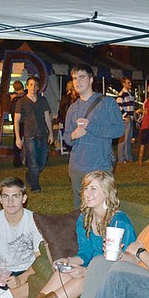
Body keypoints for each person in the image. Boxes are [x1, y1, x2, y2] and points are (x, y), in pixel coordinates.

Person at [0, 171, 137, 298]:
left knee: (81, 281)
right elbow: (85, 253)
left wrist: (86, 271)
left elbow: (126, 264)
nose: (87, 193)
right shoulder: (85, 218)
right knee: (63, 271)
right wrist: (69, 261)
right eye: (86, 189)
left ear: (107, 192)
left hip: (115, 277)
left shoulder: (119, 222)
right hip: (94, 269)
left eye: (93, 189)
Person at [63, 64, 124, 207]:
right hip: (76, 167)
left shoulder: (107, 103)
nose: (78, 82)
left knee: (101, 208)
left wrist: (90, 126)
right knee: (80, 208)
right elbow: (66, 138)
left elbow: (119, 130)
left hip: (99, 166)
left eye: (82, 77)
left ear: (91, 80)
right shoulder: (72, 108)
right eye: (75, 78)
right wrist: (73, 135)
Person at [14, 75, 54, 192]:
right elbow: (16, 120)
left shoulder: (43, 101)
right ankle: (35, 186)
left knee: (42, 161)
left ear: (38, 88)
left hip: (42, 134)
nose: (33, 87)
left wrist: (51, 133)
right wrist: (17, 137)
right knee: (33, 161)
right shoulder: (21, 102)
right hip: (29, 135)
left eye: (35, 85)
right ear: (27, 86)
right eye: (30, 85)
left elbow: (47, 117)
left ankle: (30, 175)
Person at [116, 76, 136, 163]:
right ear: (124, 84)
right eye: (128, 83)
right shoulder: (122, 94)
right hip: (125, 120)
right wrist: (126, 115)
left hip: (130, 118)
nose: (130, 84)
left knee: (128, 139)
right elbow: (118, 107)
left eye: (130, 82)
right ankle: (121, 158)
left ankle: (127, 157)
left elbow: (131, 107)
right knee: (123, 139)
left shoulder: (129, 94)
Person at [9, 80, 26, 167]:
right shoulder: (27, 97)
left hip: (18, 122)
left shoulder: (15, 99)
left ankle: (17, 161)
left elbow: (11, 111)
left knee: (17, 140)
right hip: (27, 122)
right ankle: (27, 159)